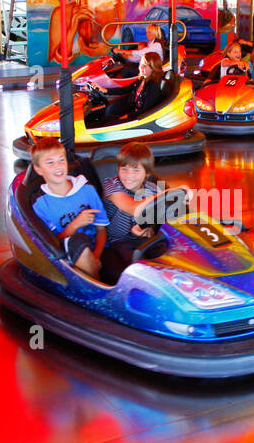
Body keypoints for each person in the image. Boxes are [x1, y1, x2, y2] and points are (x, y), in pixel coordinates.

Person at [30, 136, 108, 279]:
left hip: (96, 247)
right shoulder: (41, 204)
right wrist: (76, 224)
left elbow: (101, 230)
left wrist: (96, 257)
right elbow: (52, 242)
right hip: (67, 252)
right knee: (77, 240)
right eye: (50, 163)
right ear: (39, 169)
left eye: (61, 160)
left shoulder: (87, 189)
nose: (58, 166)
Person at [100, 141, 162, 284]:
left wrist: (149, 230)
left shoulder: (153, 189)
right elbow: (133, 208)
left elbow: (157, 217)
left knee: (168, 253)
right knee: (139, 268)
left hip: (143, 238)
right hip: (118, 240)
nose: (129, 175)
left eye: (136, 170)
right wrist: (167, 193)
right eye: (124, 169)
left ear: (147, 173)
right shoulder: (112, 186)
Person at [102, 52, 166, 125]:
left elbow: (146, 110)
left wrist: (128, 116)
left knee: (108, 124)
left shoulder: (154, 86)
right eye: (141, 64)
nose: (140, 67)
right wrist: (105, 90)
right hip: (132, 112)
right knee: (105, 119)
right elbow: (125, 89)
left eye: (144, 65)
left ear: (153, 68)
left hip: (139, 119)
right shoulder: (142, 79)